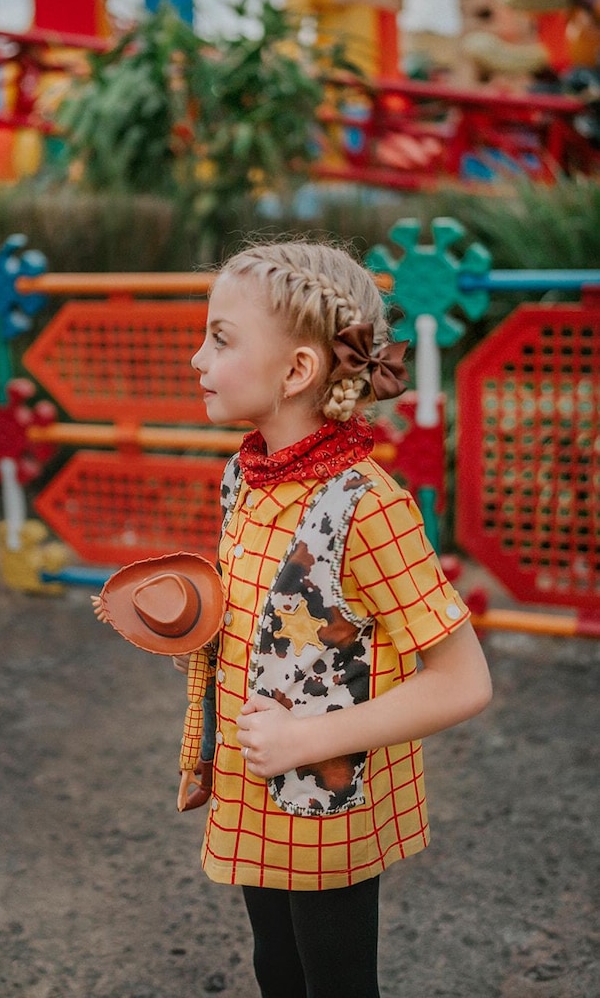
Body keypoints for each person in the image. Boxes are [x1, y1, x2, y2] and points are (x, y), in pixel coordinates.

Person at [177, 238, 492, 998]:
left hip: (327, 803)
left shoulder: (369, 507)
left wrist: (308, 737)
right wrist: (190, 619)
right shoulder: (245, 477)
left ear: (297, 371)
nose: (197, 359)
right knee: (275, 967)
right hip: (258, 786)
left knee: (337, 982)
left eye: (220, 339)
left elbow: (463, 681)